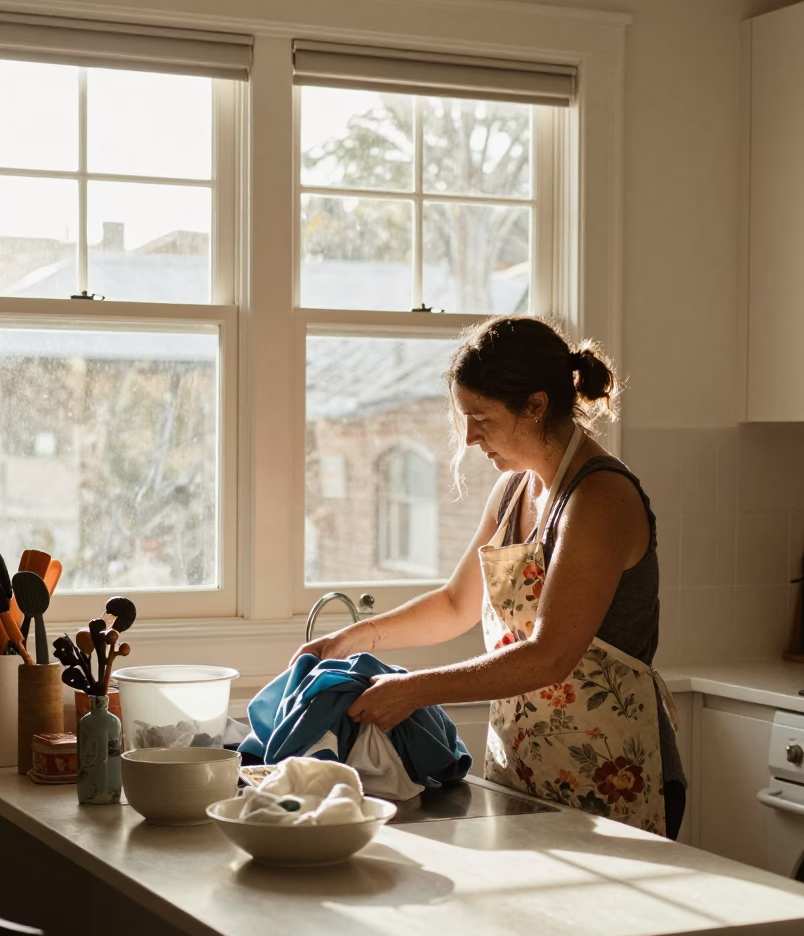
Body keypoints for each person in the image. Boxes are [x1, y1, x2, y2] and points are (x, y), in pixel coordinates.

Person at [292, 316, 686, 838]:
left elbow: (551, 655)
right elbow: (456, 603)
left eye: (482, 417)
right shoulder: (512, 492)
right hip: (526, 768)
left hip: (616, 777)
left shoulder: (599, 499)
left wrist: (413, 690)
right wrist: (350, 638)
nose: (472, 437)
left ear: (537, 405)